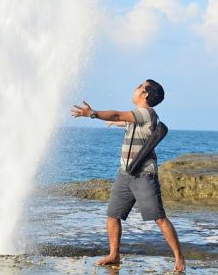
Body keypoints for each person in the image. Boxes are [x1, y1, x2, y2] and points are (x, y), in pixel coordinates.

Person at [70, 79, 185, 273]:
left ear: (145, 94)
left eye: (140, 86)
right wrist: (113, 122)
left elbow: (118, 114)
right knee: (113, 215)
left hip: (143, 175)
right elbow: (121, 119)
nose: (136, 88)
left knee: (159, 218)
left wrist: (92, 114)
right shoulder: (138, 117)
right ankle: (114, 254)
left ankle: (179, 258)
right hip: (125, 174)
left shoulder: (147, 113)